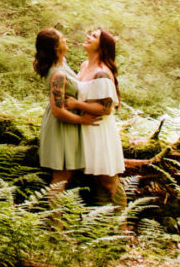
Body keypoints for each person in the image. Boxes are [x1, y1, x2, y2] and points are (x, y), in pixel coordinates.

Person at [33, 28, 101, 193]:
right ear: (56, 47)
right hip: (61, 126)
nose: (66, 40)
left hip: (68, 125)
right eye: (62, 38)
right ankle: (53, 218)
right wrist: (82, 120)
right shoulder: (58, 75)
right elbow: (58, 111)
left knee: (66, 175)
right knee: (61, 177)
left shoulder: (61, 63)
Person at [67, 28, 126, 208]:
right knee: (95, 180)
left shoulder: (102, 72)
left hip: (99, 130)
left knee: (109, 180)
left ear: (102, 46)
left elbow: (105, 108)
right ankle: (103, 225)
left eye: (94, 36)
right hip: (85, 128)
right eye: (89, 34)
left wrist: (77, 105)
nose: (88, 37)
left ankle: (123, 226)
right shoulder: (85, 65)